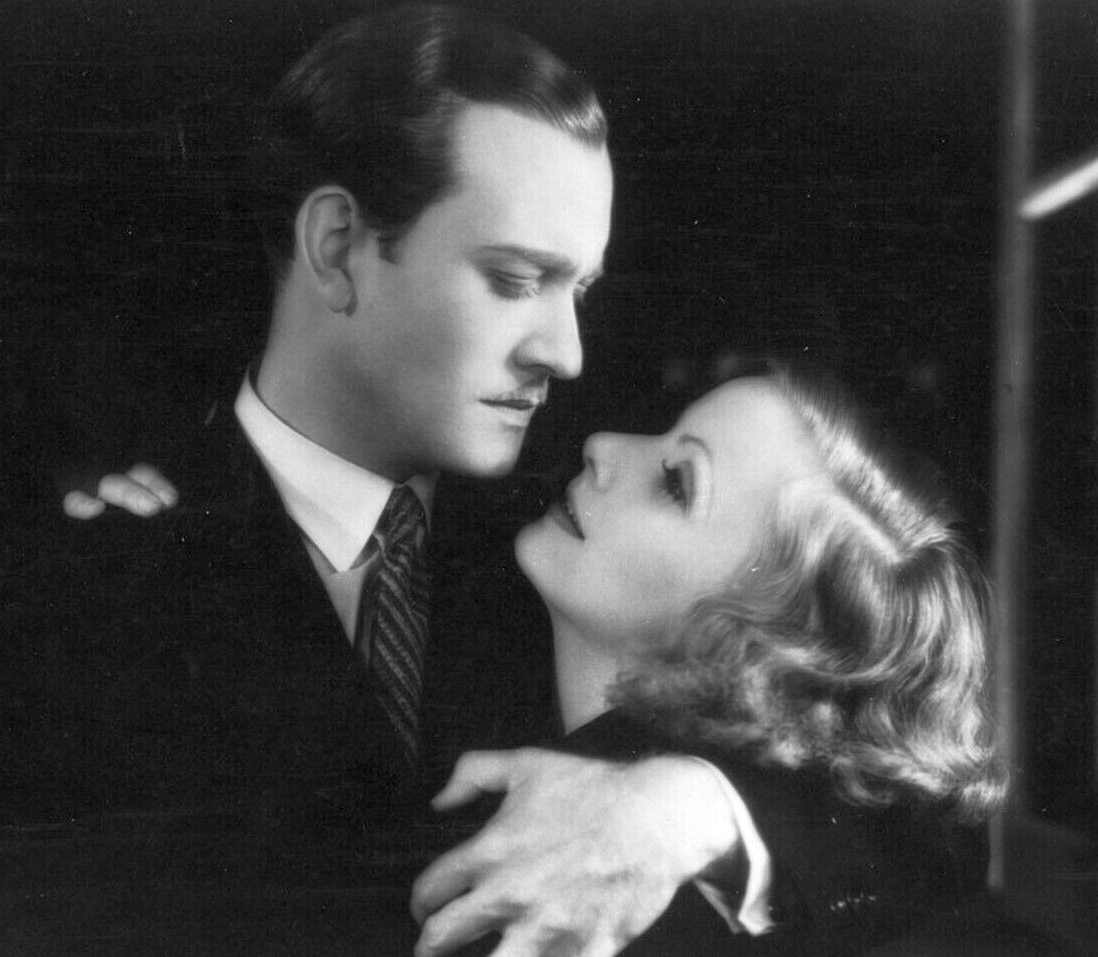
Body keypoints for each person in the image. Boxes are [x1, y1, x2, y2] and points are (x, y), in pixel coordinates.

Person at [56, 5, 987, 955]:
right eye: (511, 280)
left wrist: (698, 810)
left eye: (577, 289)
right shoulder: (83, 561)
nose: (567, 356)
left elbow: (930, 814)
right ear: (336, 248)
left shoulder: (560, 545)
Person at [409, 366, 1005, 955]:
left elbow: (936, 845)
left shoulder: (722, 902)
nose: (602, 445)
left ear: (763, 639)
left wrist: (693, 810)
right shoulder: (447, 631)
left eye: (676, 483)